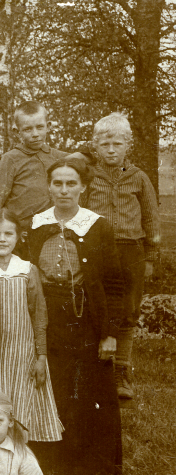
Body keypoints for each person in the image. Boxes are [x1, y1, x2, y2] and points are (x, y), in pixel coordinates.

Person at [26, 158, 123, 475]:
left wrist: (109, 334)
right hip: (48, 316)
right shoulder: (36, 226)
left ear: (83, 187)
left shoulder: (98, 226)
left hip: (86, 319)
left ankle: (90, 469)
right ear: (49, 186)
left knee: (87, 390)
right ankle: (52, 467)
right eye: (57, 183)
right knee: (54, 388)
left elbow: (113, 284)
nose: (64, 190)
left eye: (71, 184)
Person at [83, 113, 161, 400]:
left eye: (117, 143)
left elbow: (152, 219)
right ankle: (98, 370)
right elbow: (80, 214)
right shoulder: (90, 177)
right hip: (98, 250)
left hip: (132, 251)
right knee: (98, 306)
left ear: (128, 145)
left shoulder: (139, 178)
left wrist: (150, 257)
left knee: (128, 310)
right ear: (95, 146)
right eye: (105, 144)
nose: (111, 149)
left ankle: (121, 373)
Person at [0, 210, 62, 444]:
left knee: (22, 409)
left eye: (8, 234)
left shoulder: (26, 269)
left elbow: (39, 316)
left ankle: (22, 465)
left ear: (18, 237)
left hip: (23, 355)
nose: (2, 239)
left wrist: (40, 356)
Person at [0, 101, 67, 234]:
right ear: (17, 131)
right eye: (27, 129)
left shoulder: (59, 157)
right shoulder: (11, 159)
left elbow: (87, 159)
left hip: (54, 230)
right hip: (22, 231)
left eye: (40, 127)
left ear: (48, 126)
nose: (35, 134)